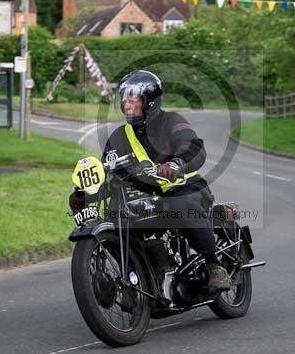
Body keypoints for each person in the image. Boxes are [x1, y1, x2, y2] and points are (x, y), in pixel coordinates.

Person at [70, 70, 231, 291]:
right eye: (125, 100)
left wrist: (176, 165)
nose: (127, 106)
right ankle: (139, 279)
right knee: (117, 216)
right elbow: (109, 175)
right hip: (146, 200)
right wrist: (84, 194)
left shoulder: (172, 121)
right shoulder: (117, 138)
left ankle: (214, 267)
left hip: (184, 189)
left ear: (151, 102)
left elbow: (193, 147)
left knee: (180, 205)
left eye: (134, 100)